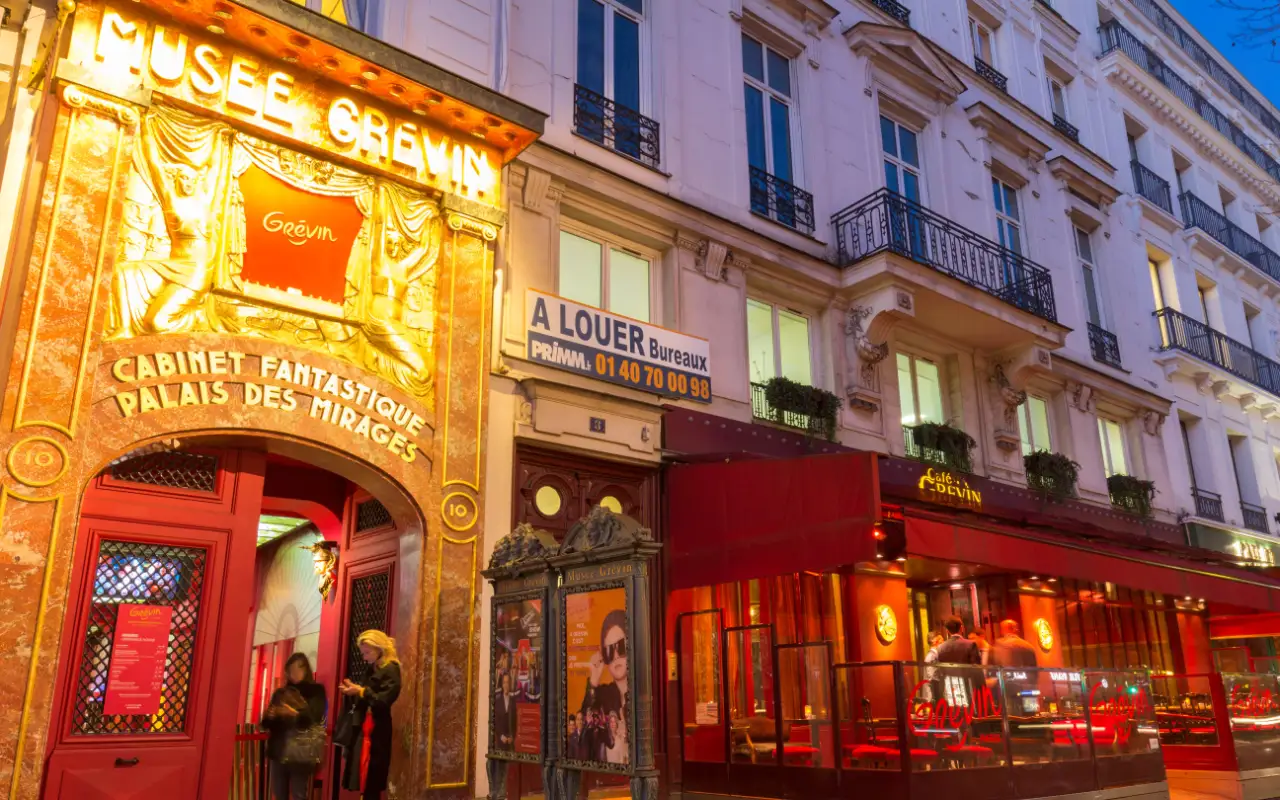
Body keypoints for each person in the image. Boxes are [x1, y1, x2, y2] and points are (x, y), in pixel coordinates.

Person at [340, 630, 403, 800]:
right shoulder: (371, 669)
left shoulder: (392, 669)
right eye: (363, 653)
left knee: (372, 774)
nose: (364, 657)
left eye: (367, 652)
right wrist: (352, 691)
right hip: (363, 726)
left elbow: (383, 701)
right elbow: (365, 694)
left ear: (379, 648)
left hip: (376, 729)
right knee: (362, 774)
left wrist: (361, 691)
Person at [260, 653, 327, 800]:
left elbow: (315, 718)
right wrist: (270, 717)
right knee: (279, 792)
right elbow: (266, 724)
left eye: (296, 670)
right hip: (279, 749)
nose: (293, 674)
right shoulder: (281, 693)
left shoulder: (315, 691)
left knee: (299, 793)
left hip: (302, 749)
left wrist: (294, 714)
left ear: (305, 669)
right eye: (290, 671)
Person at [493, 672, 517, 750]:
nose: (506, 685)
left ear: (510, 684)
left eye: (507, 682)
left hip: (510, 744)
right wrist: (501, 736)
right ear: (502, 684)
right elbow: (495, 722)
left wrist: (512, 737)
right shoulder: (497, 702)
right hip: (500, 744)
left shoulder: (513, 702)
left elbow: (515, 723)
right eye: (504, 682)